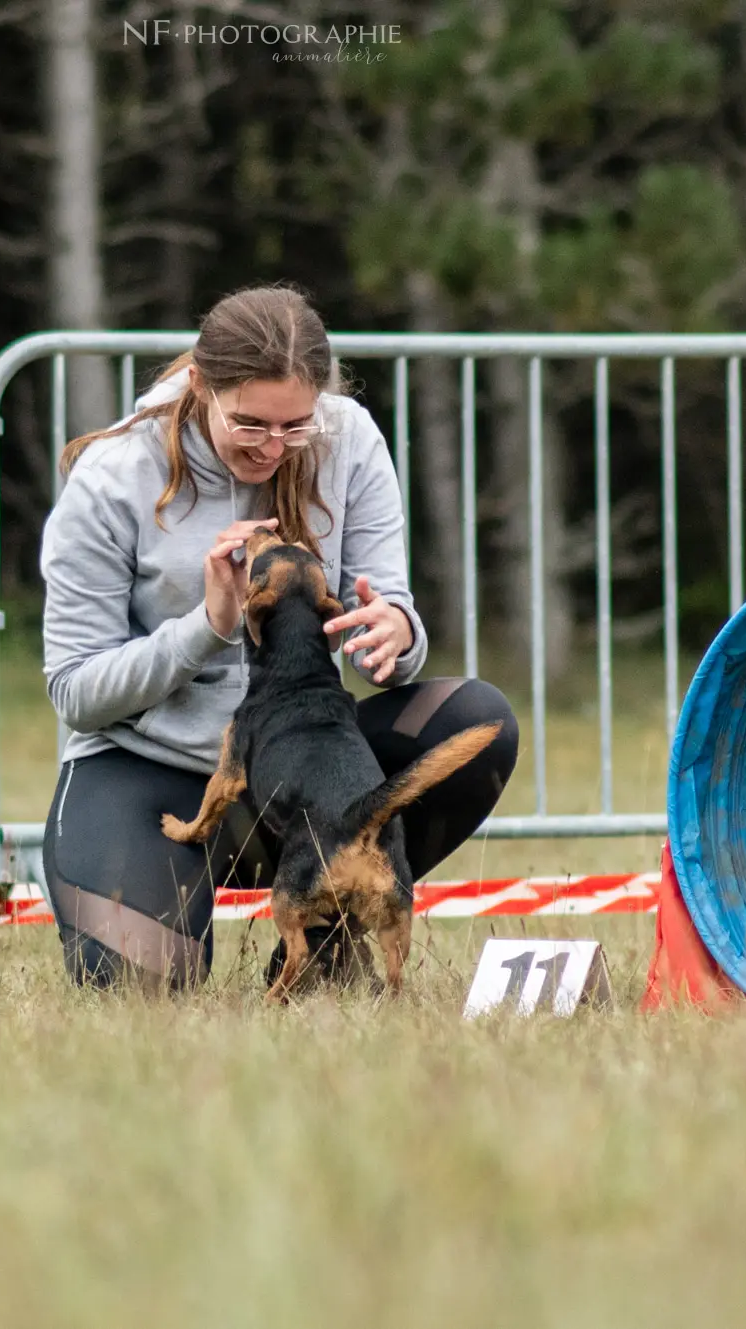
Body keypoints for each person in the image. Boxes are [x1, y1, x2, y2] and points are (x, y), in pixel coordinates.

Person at [38, 284, 519, 989]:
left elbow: (392, 621)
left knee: (479, 723)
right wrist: (208, 626)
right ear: (200, 385)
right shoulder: (112, 478)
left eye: (295, 427)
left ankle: (323, 947)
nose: (274, 446)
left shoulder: (349, 438)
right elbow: (76, 692)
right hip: (145, 768)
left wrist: (396, 633)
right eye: (251, 424)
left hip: (303, 767)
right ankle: (182, 903)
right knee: (136, 989)